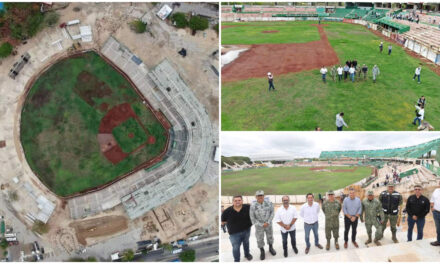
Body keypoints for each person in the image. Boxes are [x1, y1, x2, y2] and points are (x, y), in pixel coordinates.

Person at [221, 195, 253, 262]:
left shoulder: (248, 207)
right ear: (232, 202)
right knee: (236, 247)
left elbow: (254, 213)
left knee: (246, 243)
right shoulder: (227, 211)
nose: (237, 202)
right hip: (234, 234)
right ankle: (237, 260)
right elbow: (223, 221)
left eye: (239, 200)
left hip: (246, 230)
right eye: (235, 201)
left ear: (242, 201)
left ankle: (247, 254)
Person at [250, 190, 276, 260]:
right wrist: (261, 224)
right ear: (256, 197)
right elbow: (252, 218)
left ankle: (271, 248)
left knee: (270, 237)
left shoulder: (269, 203)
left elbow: (272, 213)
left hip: (268, 224)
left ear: (264, 196)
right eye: (258, 196)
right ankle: (262, 251)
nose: (260, 197)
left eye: (261, 195)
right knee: (259, 239)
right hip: (259, 226)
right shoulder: (253, 206)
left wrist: (268, 222)